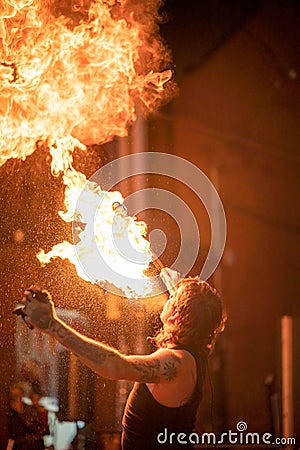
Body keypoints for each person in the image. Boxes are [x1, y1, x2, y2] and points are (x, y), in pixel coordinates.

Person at [20, 270, 226, 449]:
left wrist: (53, 326)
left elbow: (115, 367)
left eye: (173, 300)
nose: (168, 298)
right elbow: (194, 314)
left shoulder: (176, 362)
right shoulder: (193, 354)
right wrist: (180, 293)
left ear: (177, 317)